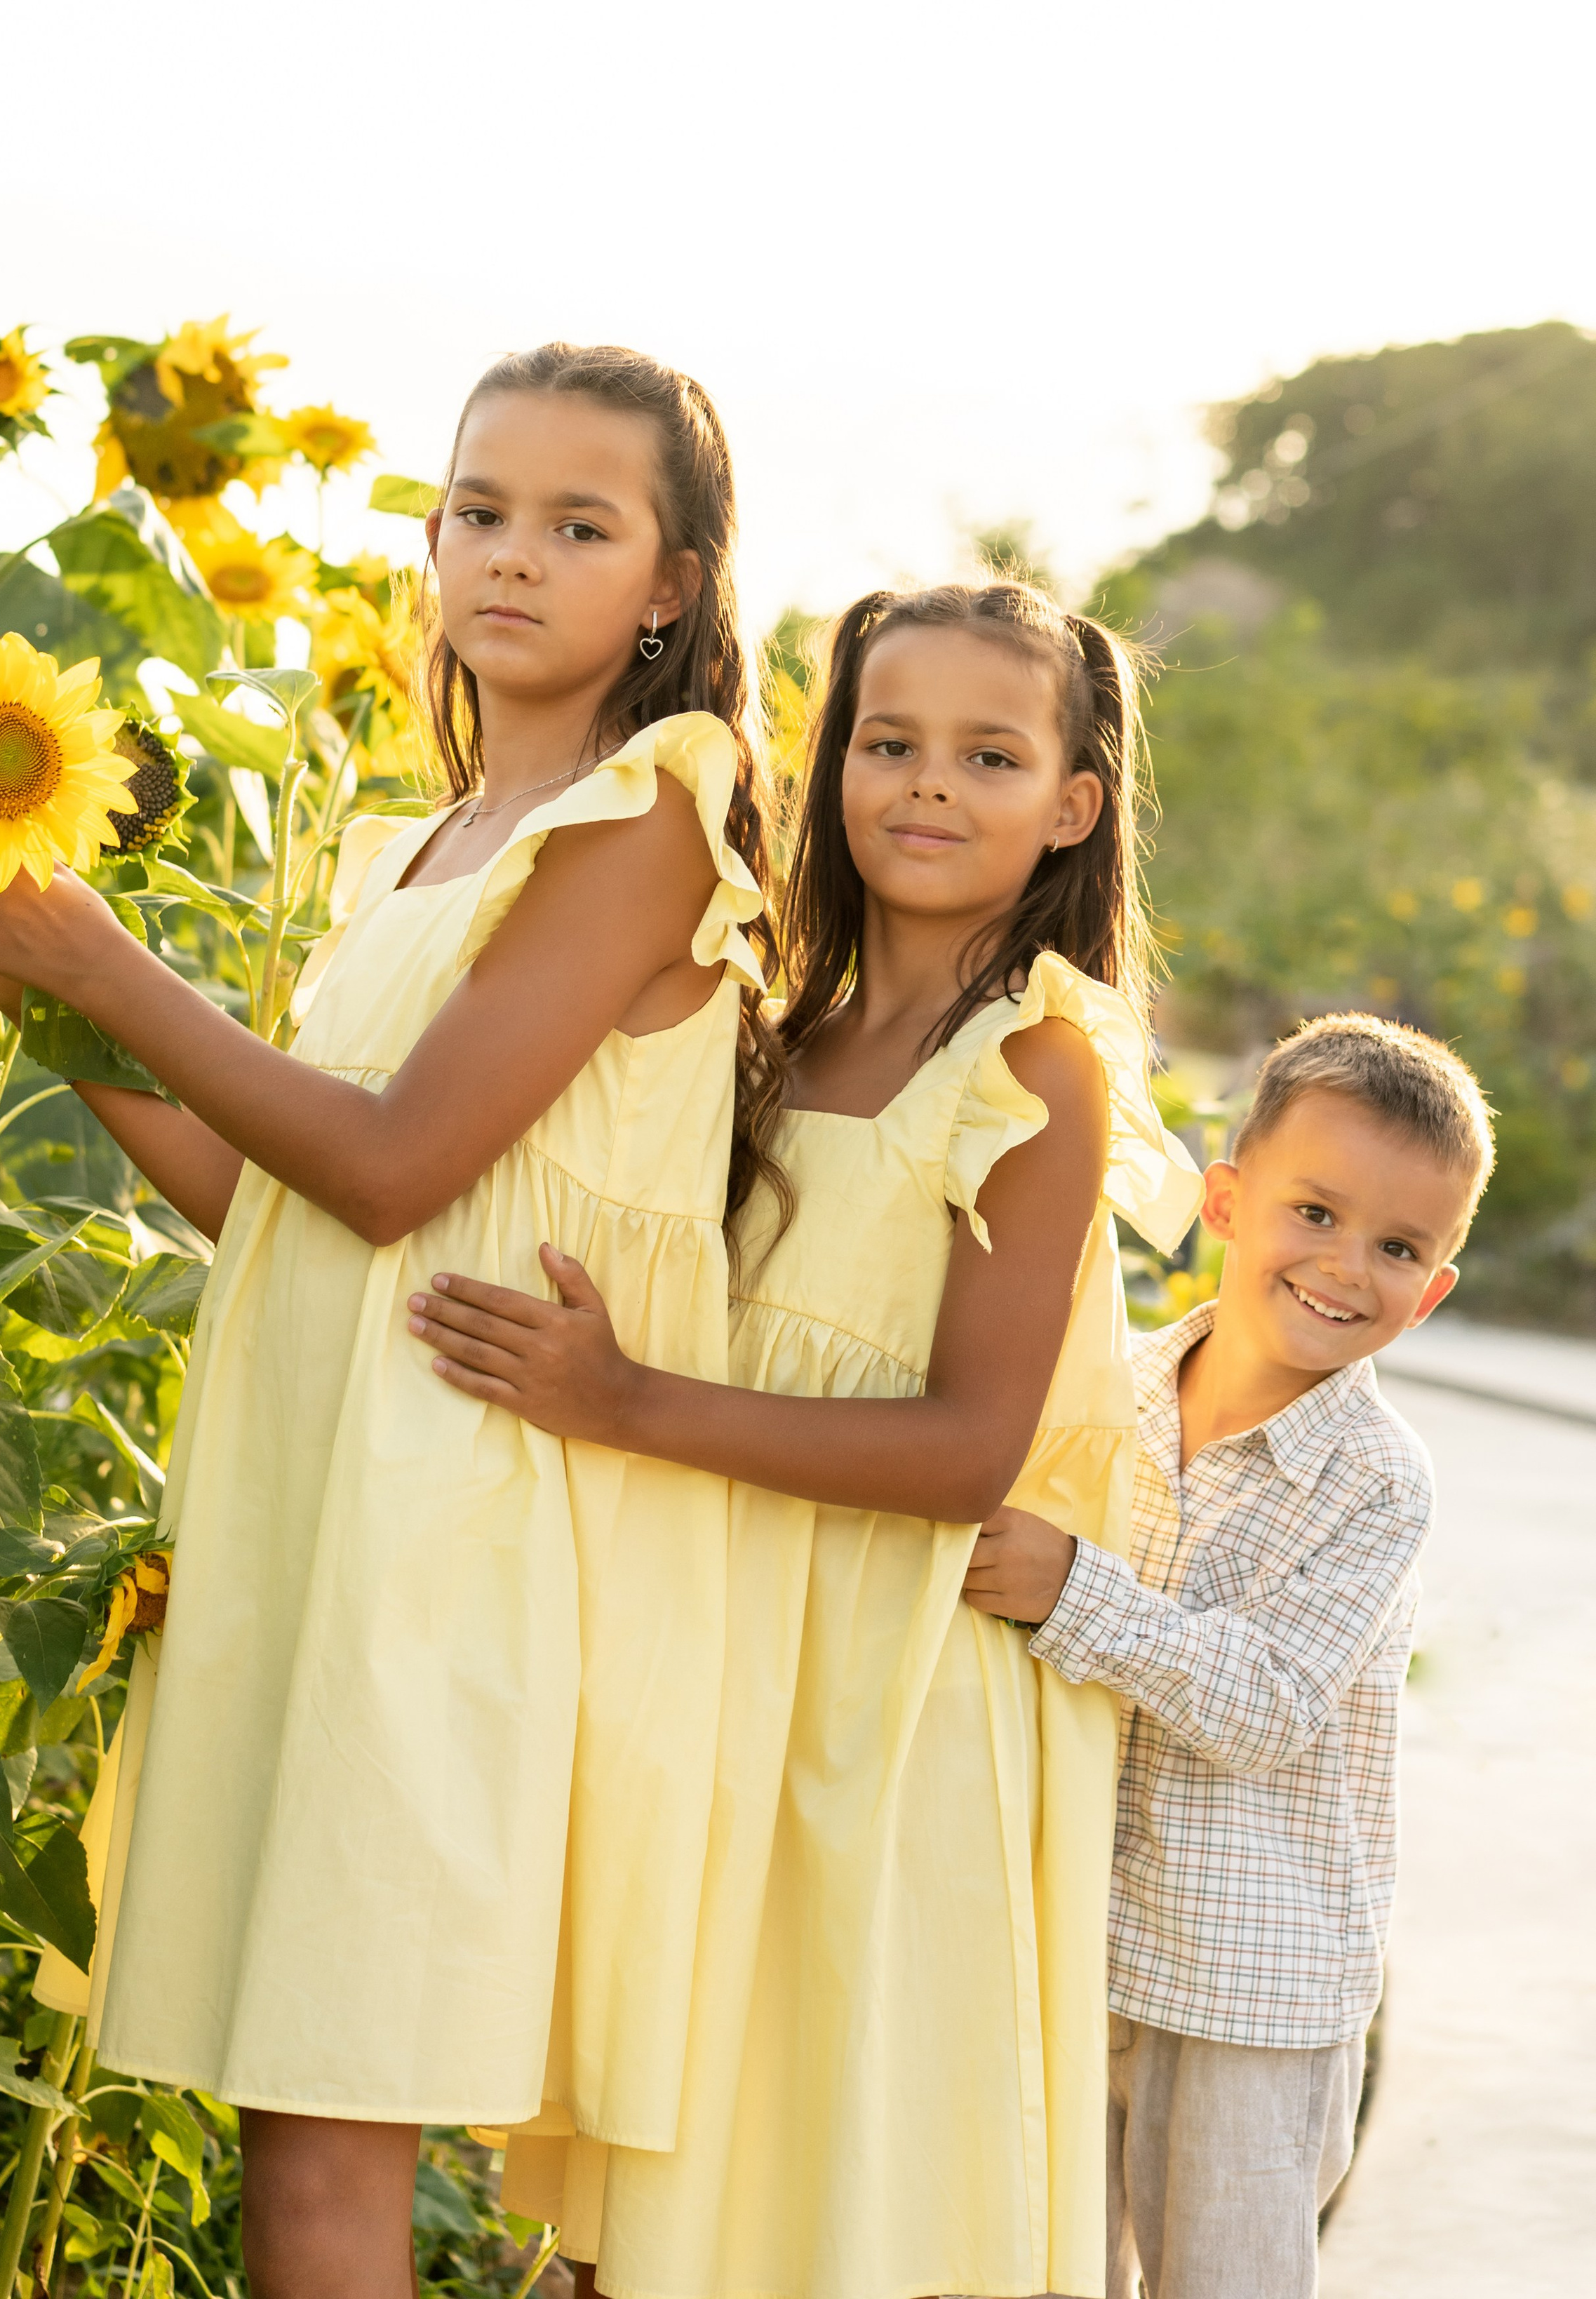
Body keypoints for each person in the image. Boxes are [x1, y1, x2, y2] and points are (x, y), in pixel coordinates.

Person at [0, 342, 783, 2299]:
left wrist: (117, 969)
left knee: (327, 2140)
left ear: (672, 584)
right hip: (329, 1512)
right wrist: (44, 995)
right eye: (477, 510)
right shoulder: (419, 848)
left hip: (454, 1542)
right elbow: (280, 1214)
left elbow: (394, 1168)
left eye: (580, 523)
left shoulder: (653, 811)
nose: (510, 557)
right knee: (294, 2134)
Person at [411, 578, 1203, 2299]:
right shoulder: (775, 1033)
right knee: (695, 2140)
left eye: (989, 755)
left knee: (841, 2162)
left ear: (1070, 807)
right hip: (730, 1657)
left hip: (901, 1695)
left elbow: (966, 1448)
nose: (926, 782)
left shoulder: (1031, 1063)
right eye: (886, 739)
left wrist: (619, 1401)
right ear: (832, 761)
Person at [965, 1012, 1494, 2299]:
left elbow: (1268, 1700)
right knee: (1041, 2265)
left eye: (1397, 1247)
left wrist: (1072, 1592)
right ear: (1225, 1201)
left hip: (1255, 1988)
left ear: (1430, 1293)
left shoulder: (1377, 1483)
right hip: (1076, 1943)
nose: (1344, 1264)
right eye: (1314, 1211)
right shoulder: (1111, 1395)